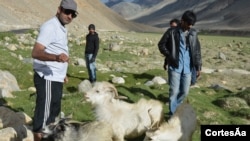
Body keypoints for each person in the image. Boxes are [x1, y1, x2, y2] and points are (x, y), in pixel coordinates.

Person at [31, 0, 78, 140]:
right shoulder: (50, 26)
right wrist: (56, 58)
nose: (69, 16)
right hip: (47, 78)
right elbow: (36, 52)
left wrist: (62, 74)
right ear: (59, 10)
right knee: (43, 120)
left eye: (73, 14)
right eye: (67, 12)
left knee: (53, 115)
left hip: (55, 78)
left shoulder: (61, 27)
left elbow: (56, 48)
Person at [158, 10, 202, 116]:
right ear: (182, 21)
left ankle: (177, 107)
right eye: (188, 24)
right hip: (175, 67)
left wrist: (198, 66)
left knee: (184, 92)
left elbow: (197, 51)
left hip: (187, 68)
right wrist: (170, 56)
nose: (190, 27)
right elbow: (161, 44)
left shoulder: (193, 34)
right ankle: (173, 114)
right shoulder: (171, 32)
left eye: (192, 25)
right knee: (174, 91)